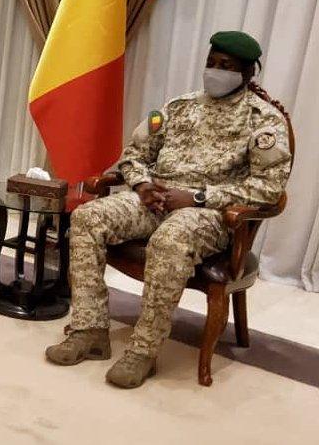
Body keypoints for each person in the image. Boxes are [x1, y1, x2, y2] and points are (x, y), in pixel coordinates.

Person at [45, 31, 292, 388]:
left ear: (247, 73)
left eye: (226, 66)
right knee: (87, 217)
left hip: (209, 212)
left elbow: (269, 188)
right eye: (211, 62)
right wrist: (143, 185)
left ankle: (142, 351)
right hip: (156, 198)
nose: (214, 71)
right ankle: (89, 329)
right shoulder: (179, 107)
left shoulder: (263, 121)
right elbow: (134, 155)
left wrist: (196, 198)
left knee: (171, 238)